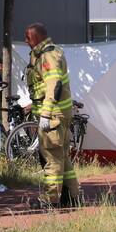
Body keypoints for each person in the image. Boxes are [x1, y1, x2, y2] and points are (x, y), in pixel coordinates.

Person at [24, 22, 79, 209]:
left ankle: (51, 200)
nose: (25, 41)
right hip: (59, 113)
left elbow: (54, 84)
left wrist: (46, 114)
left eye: (28, 37)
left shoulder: (47, 55)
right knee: (62, 157)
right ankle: (71, 196)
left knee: (51, 158)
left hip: (53, 115)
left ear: (37, 37)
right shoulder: (50, 52)